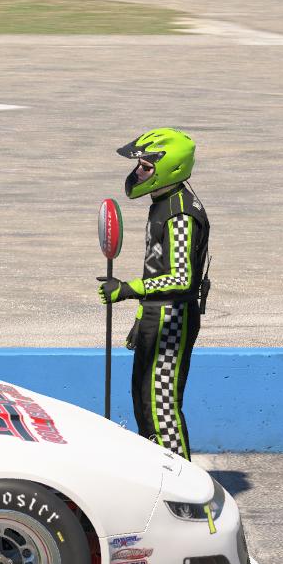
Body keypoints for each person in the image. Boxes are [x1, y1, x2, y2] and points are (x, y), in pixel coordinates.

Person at [98, 128, 211, 459]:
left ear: (170, 168)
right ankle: (156, 479)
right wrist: (140, 316)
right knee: (143, 403)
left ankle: (182, 486)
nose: (137, 173)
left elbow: (181, 278)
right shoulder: (164, 202)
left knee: (162, 409)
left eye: (145, 168)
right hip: (157, 315)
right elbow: (156, 265)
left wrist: (128, 289)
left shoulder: (181, 214)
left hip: (172, 317)